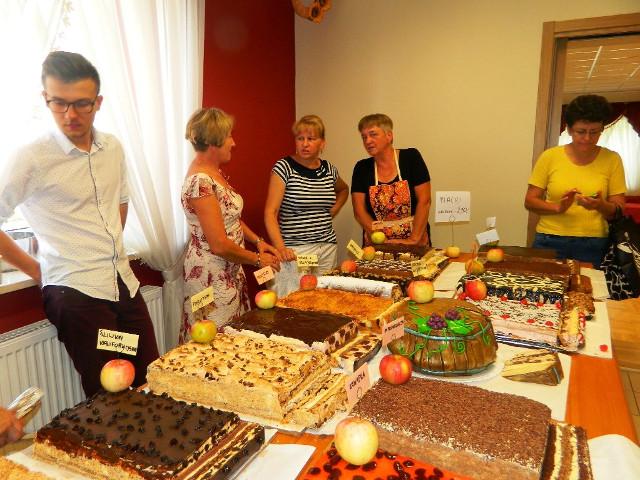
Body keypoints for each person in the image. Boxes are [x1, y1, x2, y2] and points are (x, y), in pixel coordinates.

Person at [0, 51, 159, 397]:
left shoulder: (112, 147)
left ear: (98, 102)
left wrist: (107, 243)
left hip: (122, 282)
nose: (70, 114)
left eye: (81, 104)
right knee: (109, 397)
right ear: (45, 98)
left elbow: (120, 199)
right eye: (59, 103)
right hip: (76, 292)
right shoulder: (31, 156)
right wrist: (37, 270)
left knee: (151, 379)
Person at [181, 107, 281, 341]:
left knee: (232, 337)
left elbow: (229, 217)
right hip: (211, 277)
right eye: (228, 136)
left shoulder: (212, 173)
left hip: (230, 269)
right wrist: (257, 259)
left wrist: (258, 241)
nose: (233, 143)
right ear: (213, 143)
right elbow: (218, 244)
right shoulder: (200, 183)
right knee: (215, 343)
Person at [525, 94, 626, 268]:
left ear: (602, 129)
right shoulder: (550, 156)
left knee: (588, 285)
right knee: (545, 283)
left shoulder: (612, 159)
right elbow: (529, 201)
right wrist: (558, 207)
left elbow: (619, 210)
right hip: (549, 239)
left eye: (594, 132)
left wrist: (600, 205)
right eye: (581, 131)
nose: (587, 138)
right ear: (569, 129)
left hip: (593, 243)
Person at [264, 115, 349, 296]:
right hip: (295, 251)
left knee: (324, 300)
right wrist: (281, 248)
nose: (305, 144)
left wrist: (333, 211)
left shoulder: (329, 169)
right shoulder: (284, 167)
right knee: (291, 301)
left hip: (327, 247)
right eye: (300, 138)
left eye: (311, 139)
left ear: (322, 143)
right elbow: (270, 213)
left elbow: (343, 189)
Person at [351, 113, 432, 246]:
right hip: (377, 243)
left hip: (415, 241)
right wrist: (380, 239)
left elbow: (425, 200)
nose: (368, 141)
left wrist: (413, 239)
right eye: (364, 137)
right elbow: (359, 211)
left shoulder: (411, 158)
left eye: (373, 134)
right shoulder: (361, 168)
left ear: (389, 135)